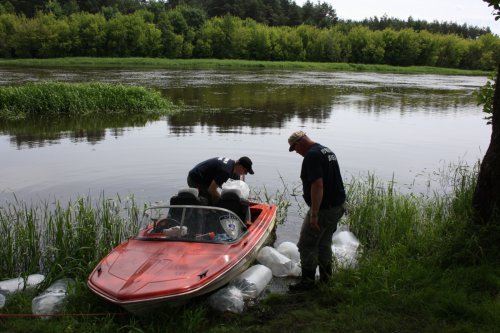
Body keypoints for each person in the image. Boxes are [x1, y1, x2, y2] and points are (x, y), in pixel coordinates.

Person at [287, 130, 346, 292]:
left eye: (295, 149)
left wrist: (314, 214)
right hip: (337, 207)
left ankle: (307, 282)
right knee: (324, 243)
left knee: (306, 244)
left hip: (324, 210)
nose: (297, 153)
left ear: (299, 143)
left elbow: (318, 185)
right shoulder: (326, 150)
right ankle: (326, 278)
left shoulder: (312, 155)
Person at [187, 156, 254, 204]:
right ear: (238, 164)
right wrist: (221, 201)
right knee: (210, 199)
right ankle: (205, 210)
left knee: (218, 195)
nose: (245, 174)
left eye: (247, 172)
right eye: (245, 171)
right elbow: (212, 190)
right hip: (195, 179)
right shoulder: (225, 171)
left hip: (206, 179)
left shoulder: (233, 166)